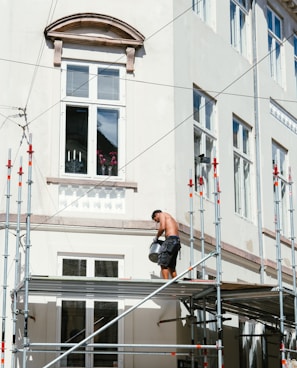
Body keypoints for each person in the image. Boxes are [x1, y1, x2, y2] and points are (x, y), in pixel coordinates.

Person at [151, 209, 181, 279]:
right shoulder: (171, 218)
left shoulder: (162, 214)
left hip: (170, 240)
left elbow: (162, 227)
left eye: (156, 220)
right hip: (176, 241)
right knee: (171, 266)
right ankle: (175, 284)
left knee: (162, 263)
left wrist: (156, 237)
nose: (157, 221)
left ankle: (165, 283)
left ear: (156, 215)